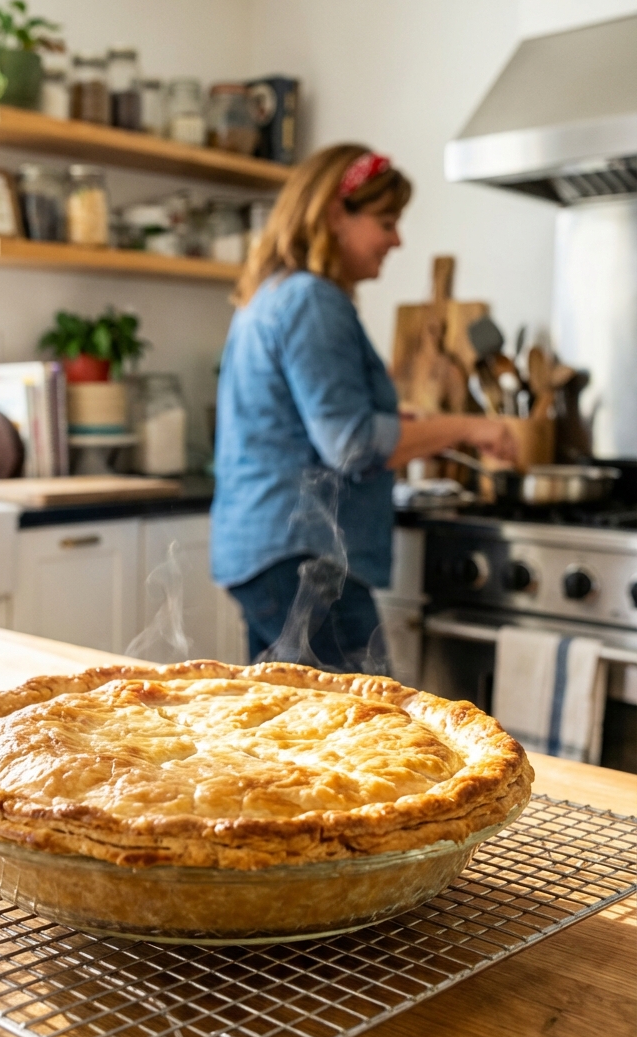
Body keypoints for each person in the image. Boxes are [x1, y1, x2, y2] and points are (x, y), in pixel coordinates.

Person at [210, 143, 516, 669]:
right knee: (370, 730)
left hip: (265, 551)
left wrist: (400, 423)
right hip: (303, 557)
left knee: (280, 735)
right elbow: (350, 445)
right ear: (335, 214)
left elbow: (305, 424)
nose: (396, 240)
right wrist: (471, 427)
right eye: (387, 221)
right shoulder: (312, 299)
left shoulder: (274, 293)